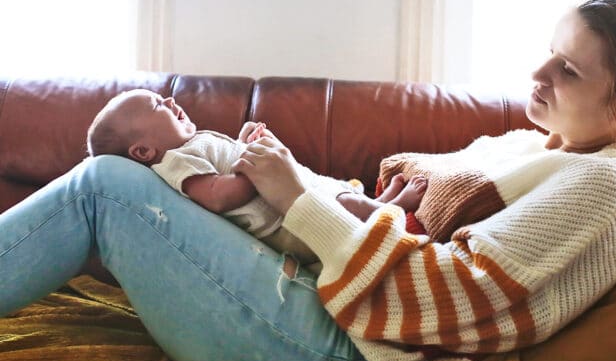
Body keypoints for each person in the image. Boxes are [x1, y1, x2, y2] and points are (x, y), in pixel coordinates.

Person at [0, 0, 616, 361]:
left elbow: (459, 300)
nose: (538, 75)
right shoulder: (526, 146)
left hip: (362, 358)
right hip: (329, 308)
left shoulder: (602, 185)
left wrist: (295, 198)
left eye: (569, 70)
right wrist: (366, 197)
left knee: (105, 187)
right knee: (116, 181)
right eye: (550, 51)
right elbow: (405, 192)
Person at [85, 88, 427, 272]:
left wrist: (242, 144)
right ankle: (392, 209)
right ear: (144, 151)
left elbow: (224, 166)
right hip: (284, 226)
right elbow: (217, 196)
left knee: (337, 192)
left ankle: (377, 205)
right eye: (159, 105)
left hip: (290, 200)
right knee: (344, 206)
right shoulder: (175, 163)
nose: (171, 100)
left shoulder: (190, 147)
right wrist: (252, 166)